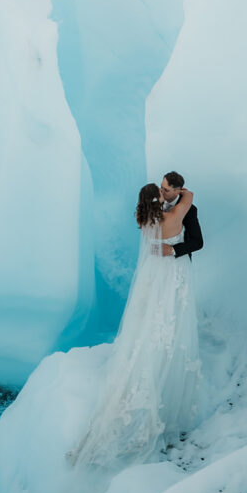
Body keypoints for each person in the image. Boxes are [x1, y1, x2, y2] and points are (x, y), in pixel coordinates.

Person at [66, 180, 201, 470]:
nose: (166, 193)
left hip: (151, 274)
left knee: (148, 320)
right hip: (170, 274)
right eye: (162, 190)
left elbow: (190, 232)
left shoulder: (143, 219)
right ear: (160, 197)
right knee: (167, 319)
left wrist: (161, 199)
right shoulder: (174, 214)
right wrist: (180, 193)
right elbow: (188, 198)